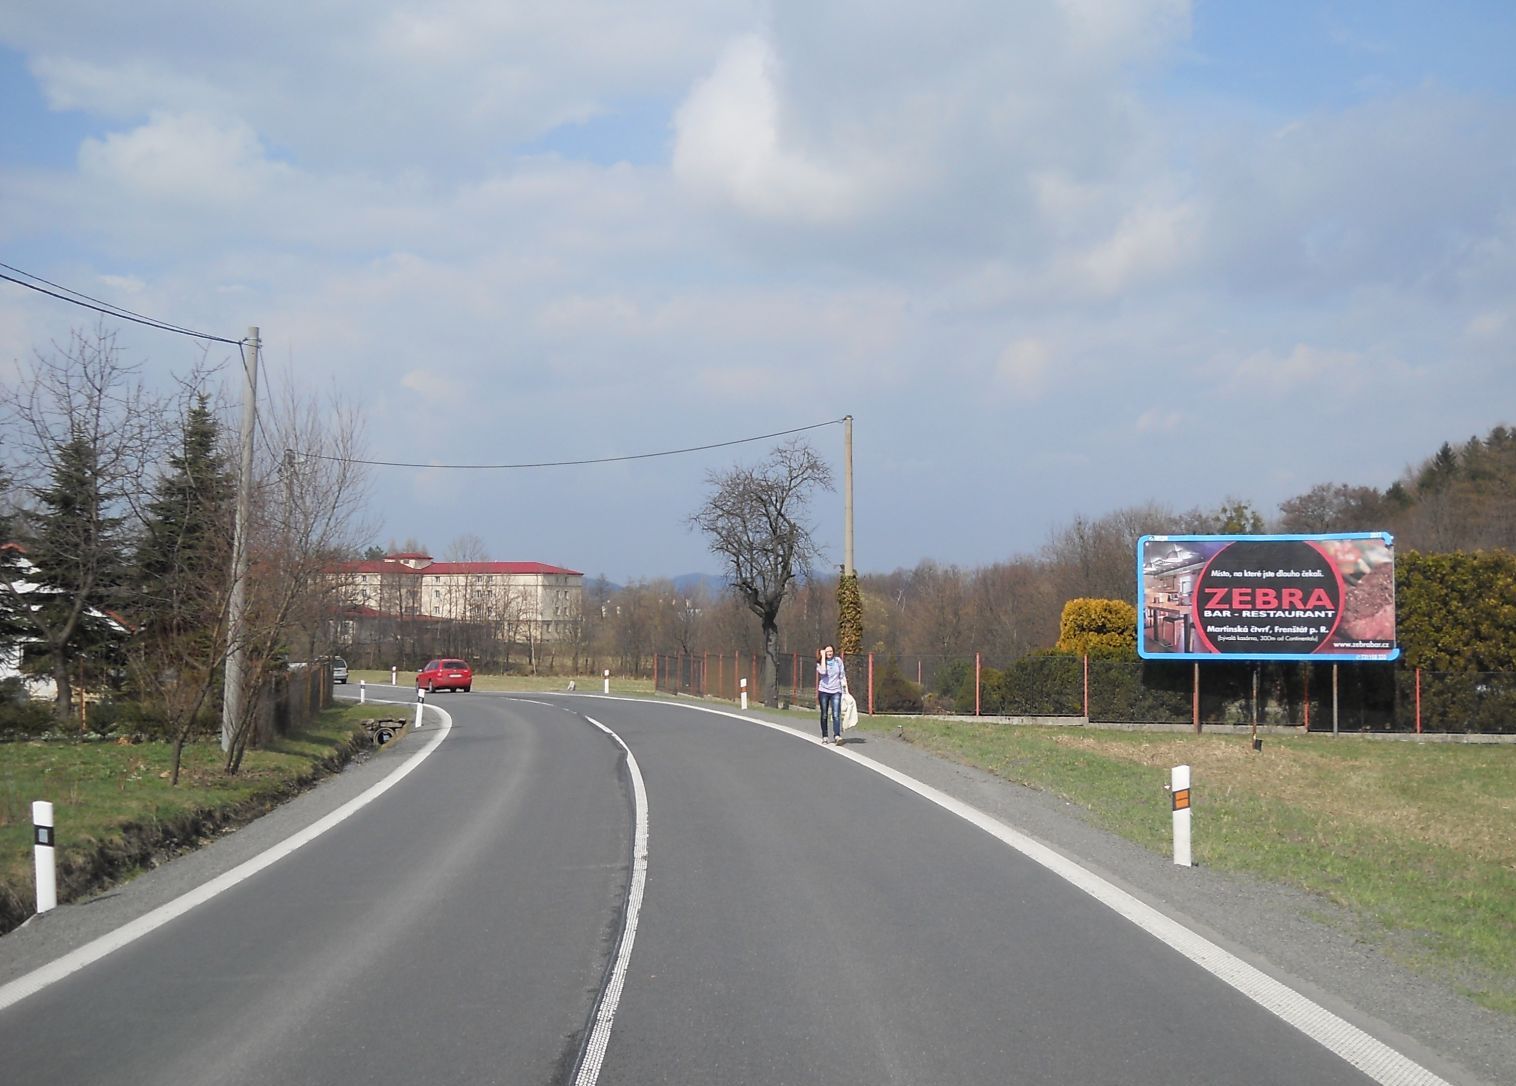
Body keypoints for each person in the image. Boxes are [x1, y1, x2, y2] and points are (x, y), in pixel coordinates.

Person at [815, 644, 847, 744]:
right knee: (824, 714)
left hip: (836, 691)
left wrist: (845, 689)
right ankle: (825, 736)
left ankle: (837, 735)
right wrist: (823, 657)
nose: (830, 653)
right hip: (824, 691)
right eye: (827, 651)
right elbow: (823, 672)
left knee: (836, 714)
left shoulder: (838, 661)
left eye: (831, 651)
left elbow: (842, 675)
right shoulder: (820, 662)